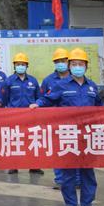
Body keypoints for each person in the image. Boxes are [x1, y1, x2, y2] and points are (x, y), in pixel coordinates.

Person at [30, 48, 104, 206]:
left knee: (88, 171)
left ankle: (87, 204)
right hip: (68, 134)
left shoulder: (91, 86)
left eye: (80, 64)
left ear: (86, 66)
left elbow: (101, 106)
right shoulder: (61, 85)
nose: (77, 66)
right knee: (68, 171)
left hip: (87, 135)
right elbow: (47, 99)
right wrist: (37, 104)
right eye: (74, 64)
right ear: (69, 66)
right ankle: (70, 204)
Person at [4, 53, 44, 176]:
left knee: (32, 139)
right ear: (14, 66)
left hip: (31, 116)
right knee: (14, 139)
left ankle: (34, 165)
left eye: (23, 64)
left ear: (27, 66)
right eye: (18, 64)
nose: (20, 66)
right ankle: (13, 165)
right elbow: (5, 98)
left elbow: (39, 97)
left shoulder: (33, 80)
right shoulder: (9, 80)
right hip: (14, 116)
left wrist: (36, 104)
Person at [41, 47, 75, 190]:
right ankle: (60, 180)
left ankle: (77, 181)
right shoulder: (48, 80)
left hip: (75, 123)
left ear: (68, 62)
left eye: (63, 60)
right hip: (55, 123)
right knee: (58, 151)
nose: (60, 63)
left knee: (75, 151)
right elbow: (44, 98)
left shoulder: (76, 79)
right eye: (57, 61)